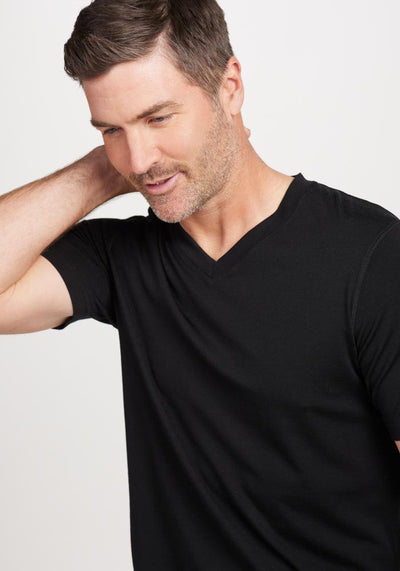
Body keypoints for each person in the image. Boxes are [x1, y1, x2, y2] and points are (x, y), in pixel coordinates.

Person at [1, 0, 400, 568]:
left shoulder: (371, 255)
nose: (139, 158)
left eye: (158, 118)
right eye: (112, 129)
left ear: (229, 87)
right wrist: (98, 173)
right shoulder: (122, 258)